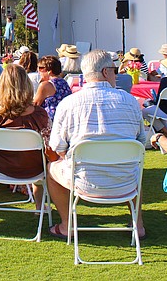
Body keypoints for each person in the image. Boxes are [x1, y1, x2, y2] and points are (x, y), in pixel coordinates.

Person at [47, 49, 147, 240]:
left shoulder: (68, 104)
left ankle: (67, 225)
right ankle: (138, 225)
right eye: (114, 69)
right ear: (105, 72)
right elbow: (140, 143)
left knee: (52, 168)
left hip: (84, 180)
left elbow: (58, 147)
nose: (116, 74)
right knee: (135, 166)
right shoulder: (131, 102)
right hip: (125, 180)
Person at [0, 64, 49, 207]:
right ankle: (40, 205)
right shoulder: (39, 115)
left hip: (2, 167)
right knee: (47, 161)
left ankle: (39, 204)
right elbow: (49, 144)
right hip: (35, 167)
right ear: (27, 85)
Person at [33, 55, 71, 121]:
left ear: (49, 71)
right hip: (65, 119)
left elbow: (35, 105)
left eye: (41, 68)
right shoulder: (64, 82)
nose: (38, 71)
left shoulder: (45, 85)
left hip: (50, 121)